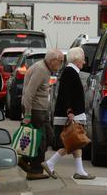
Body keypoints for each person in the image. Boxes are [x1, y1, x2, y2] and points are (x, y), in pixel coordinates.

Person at [42, 47, 96, 180]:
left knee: (76, 142)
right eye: (83, 59)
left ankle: (79, 170)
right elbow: (66, 94)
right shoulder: (69, 72)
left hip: (73, 114)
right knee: (71, 142)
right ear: (77, 59)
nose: (84, 62)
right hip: (71, 115)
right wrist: (69, 111)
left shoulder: (71, 71)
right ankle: (51, 163)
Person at [20, 49, 64, 180]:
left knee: (49, 137)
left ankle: (24, 159)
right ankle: (35, 170)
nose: (61, 64)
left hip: (41, 110)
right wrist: (27, 115)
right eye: (60, 61)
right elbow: (29, 93)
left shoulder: (44, 68)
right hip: (35, 110)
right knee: (41, 140)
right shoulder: (41, 70)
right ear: (52, 61)